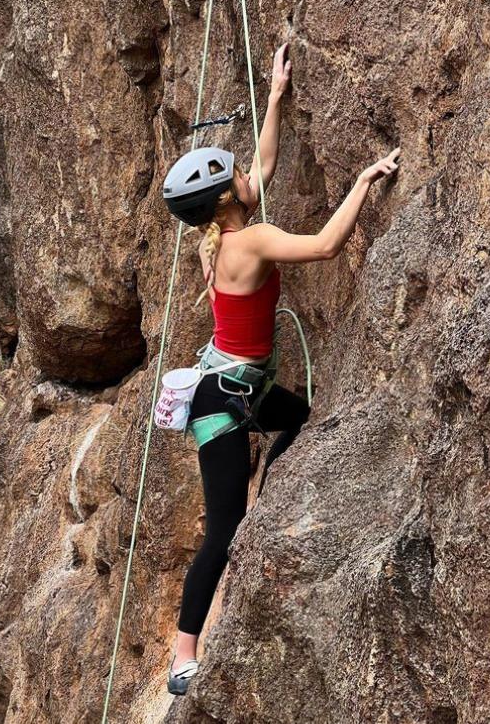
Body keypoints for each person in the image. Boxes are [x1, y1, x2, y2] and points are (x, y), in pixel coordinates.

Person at [162, 43, 400, 695]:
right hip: (222, 406)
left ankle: (267, 468)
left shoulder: (219, 239)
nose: (249, 175)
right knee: (223, 528)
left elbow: (261, 165)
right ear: (224, 200)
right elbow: (324, 246)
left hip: (242, 389)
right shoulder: (252, 239)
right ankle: (184, 654)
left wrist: (274, 95)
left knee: (297, 418)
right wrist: (363, 180)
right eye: (234, 177)